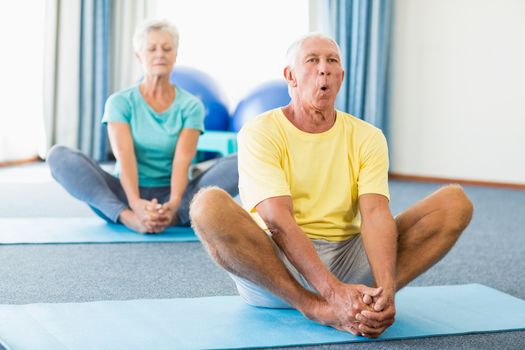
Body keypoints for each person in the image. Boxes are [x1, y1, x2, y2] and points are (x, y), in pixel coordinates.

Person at [189, 33, 473, 338]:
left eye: (332, 61)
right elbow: (278, 222)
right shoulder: (261, 131)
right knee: (207, 206)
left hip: (347, 258)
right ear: (291, 76)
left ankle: (370, 303)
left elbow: (376, 215)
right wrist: (330, 295)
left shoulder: (368, 136)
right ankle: (312, 306)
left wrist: (387, 289)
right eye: (312, 61)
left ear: (341, 77)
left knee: (454, 203)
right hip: (276, 271)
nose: (323, 69)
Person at [47, 19, 238, 233]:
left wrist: (173, 205)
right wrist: (135, 205)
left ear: (175, 55)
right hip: (124, 195)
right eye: (151, 48)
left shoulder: (191, 105)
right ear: (139, 55)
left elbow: (181, 161)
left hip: (180, 195)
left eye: (167, 49)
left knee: (244, 159)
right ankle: (126, 217)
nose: (160, 54)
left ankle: (174, 218)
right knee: (58, 155)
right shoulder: (119, 102)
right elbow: (124, 156)